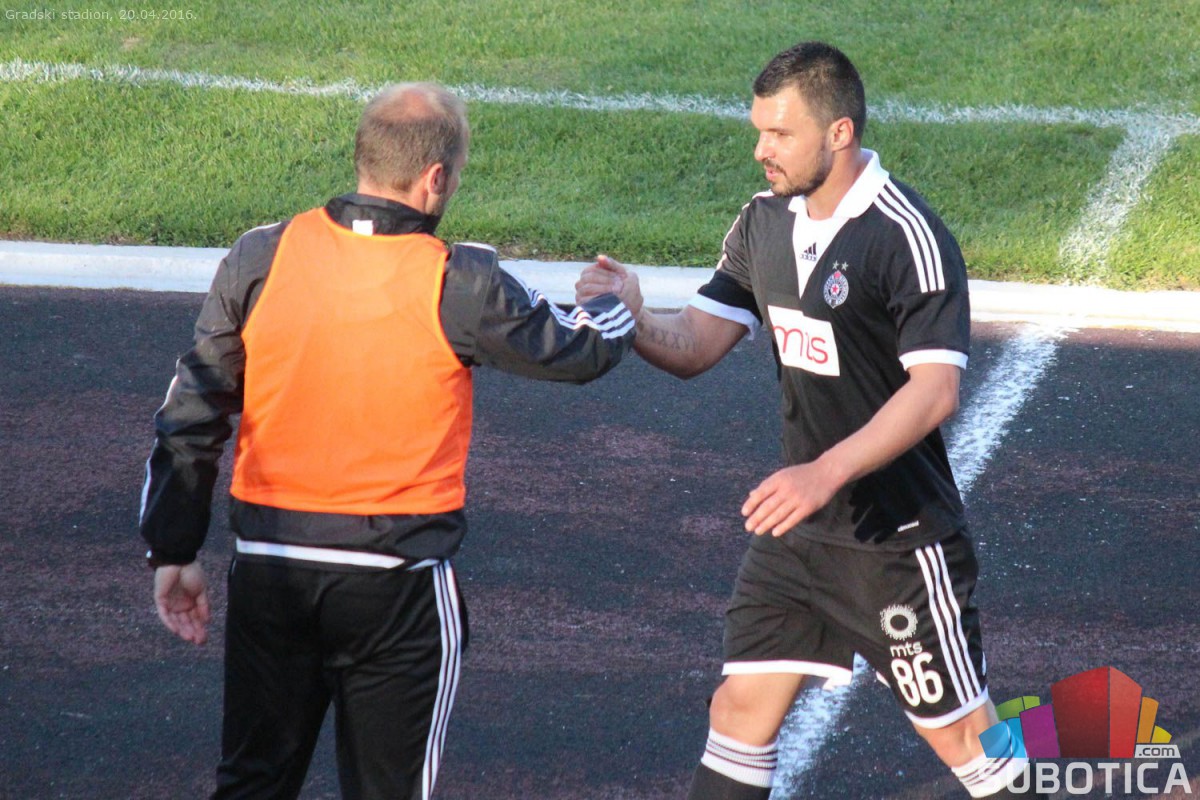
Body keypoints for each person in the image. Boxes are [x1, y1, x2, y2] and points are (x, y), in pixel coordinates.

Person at [140, 82, 635, 800]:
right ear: (435, 178)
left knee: (250, 784)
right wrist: (615, 303)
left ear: (364, 157)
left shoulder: (260, 256)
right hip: (395, 586)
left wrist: (173, 548)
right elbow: (579, 351)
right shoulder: (459, 279)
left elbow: (191, 410)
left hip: (269, 575)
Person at [577, 42, 1035, 799]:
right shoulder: (762, 224)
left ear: (839, 132)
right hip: (799, 536)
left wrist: (823, 473)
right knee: (739, 712)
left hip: (895, 541)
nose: (762, 150)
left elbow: (934, 392)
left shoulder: (905, 236)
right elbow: (694, 344)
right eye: (759, 131)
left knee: (966, 739)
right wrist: (636, 315)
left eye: (780, 134)